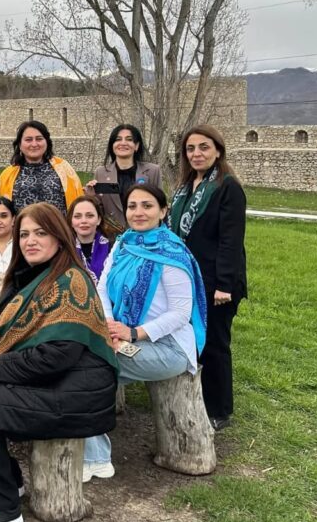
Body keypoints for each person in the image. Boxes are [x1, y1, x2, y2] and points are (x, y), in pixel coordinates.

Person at [0, 202, 118, 522]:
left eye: (41, 233)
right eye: (24, 234)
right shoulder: (27, 276)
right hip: (48, 379)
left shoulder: (71, 282)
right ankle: (6, 480)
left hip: (76, 391)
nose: (30, 241)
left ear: (59, 237)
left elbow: (58, 356)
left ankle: (1, 507)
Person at [82, 183, 209, 481]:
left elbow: (180, 313)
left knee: (90, 366)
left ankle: (95, 457)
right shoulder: (124, 244)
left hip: (169, 348)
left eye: (147, 206)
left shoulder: (172, 253)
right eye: (132, 206)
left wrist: (133, 333)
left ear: (163, 211)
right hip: (123, 335)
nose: (138, 212)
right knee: (86, 364)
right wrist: (110, 327)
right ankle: (94, 455)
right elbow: (103, 288)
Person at [169, 125, 247, 431]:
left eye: (204, 147)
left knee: (215, 343)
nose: (197, 154)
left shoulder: (226, 187)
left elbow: (231, 240)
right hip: (189, 279)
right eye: (191, 149)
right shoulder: (186, 187)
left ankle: (219, 409)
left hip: (217, 283)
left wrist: (224, 285)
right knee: (195, 341)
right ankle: (196, 398)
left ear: (218, 150)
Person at [0, 120, 83, 255]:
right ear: (20, 144)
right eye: (28, 140)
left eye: (39, 139)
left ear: (47, 142)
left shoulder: (63, 169)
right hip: (22, 244)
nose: (34, 144)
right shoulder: (8, 175)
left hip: (59, 240)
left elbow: (78, 203)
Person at [85, 124, 163, 238]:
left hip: (146, 236)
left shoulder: (152, 171)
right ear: (112, 145)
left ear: (136, 146)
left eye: (129, 139)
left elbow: (160, 205)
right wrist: (91, 196)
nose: (123, 143)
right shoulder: (101, 172)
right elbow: (98, 210)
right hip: (113, 239)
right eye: (118, 139)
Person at [67, 195, 112, 281]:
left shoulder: (113, 249)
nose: (83, 221)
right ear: (71, 222)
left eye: (90, 216)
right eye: (77, 216)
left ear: (99, 220)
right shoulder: (64, 251)